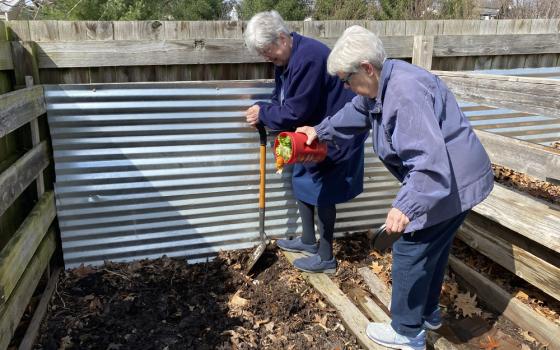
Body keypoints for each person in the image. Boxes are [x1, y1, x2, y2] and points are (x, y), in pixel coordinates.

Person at [296, 26, 494, 350]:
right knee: (433, 248)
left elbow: (429, 165)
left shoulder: (404, 93)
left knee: (410, 247)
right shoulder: (379, 87)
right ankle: (428, 314)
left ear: (367, 68)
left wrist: (406, 207)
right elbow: (352, 114)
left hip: (452, 179)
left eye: (346, 79)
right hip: (457, 177)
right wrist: (319, 131)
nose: (345, 86)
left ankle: (406, 332)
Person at [243, 11, 369, 273]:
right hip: (309, 132)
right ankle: (309, 241)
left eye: (268, 51)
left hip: (333, 134)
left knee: (323, 193)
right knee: (300, 180)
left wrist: (264, 113)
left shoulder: (308, 58)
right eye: (263, 54)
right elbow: (284, 100)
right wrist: (266, 110)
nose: (267, 58)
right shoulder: (286, 61)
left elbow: (295, 110)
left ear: (282, 38)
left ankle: (326, 258)